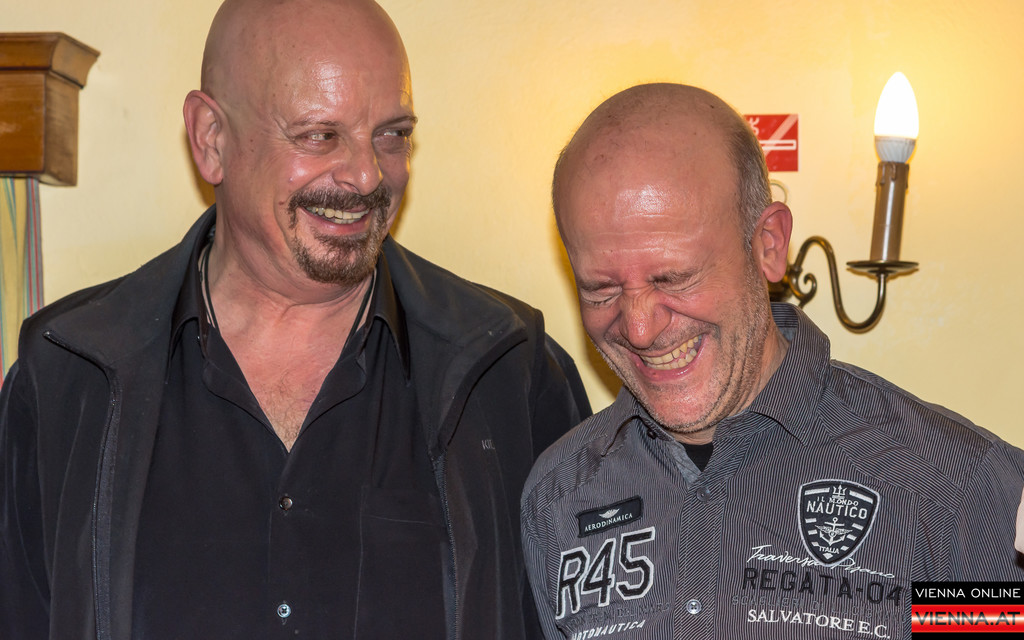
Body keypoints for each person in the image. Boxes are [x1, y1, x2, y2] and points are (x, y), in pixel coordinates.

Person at [0, 0, 590, 638]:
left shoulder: (511, 372)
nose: (366, 174)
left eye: (392, 134)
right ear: (211, 139)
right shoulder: (66, 375)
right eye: (319, 135)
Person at [521, 82, 1024, 639]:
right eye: (601, 290)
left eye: (673, 278)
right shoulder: (558, 496)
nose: (639, 328)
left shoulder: (952, 488)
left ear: (768, 245)